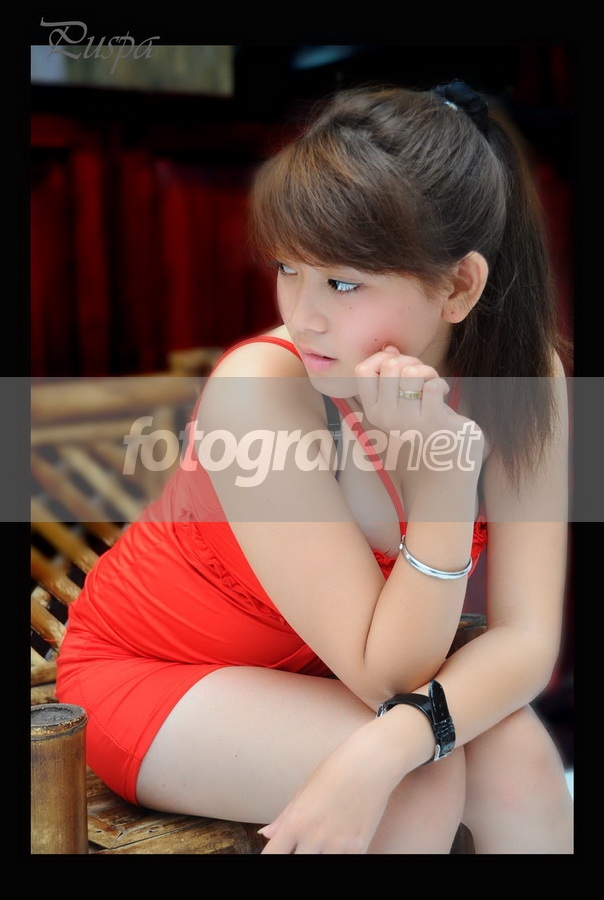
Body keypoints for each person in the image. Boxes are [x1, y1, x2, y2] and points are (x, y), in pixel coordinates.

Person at [55, 80, 573, 854]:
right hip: (155, 671)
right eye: (288, 268)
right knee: (419, 785)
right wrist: (442, 482)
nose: (303, 315)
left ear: (459, 286)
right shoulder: (261, 391)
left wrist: (389, 741)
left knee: (523, 765)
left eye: (343, 283)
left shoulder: (525, 379)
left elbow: (528, 638)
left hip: (318, 673)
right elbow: (385, 677)